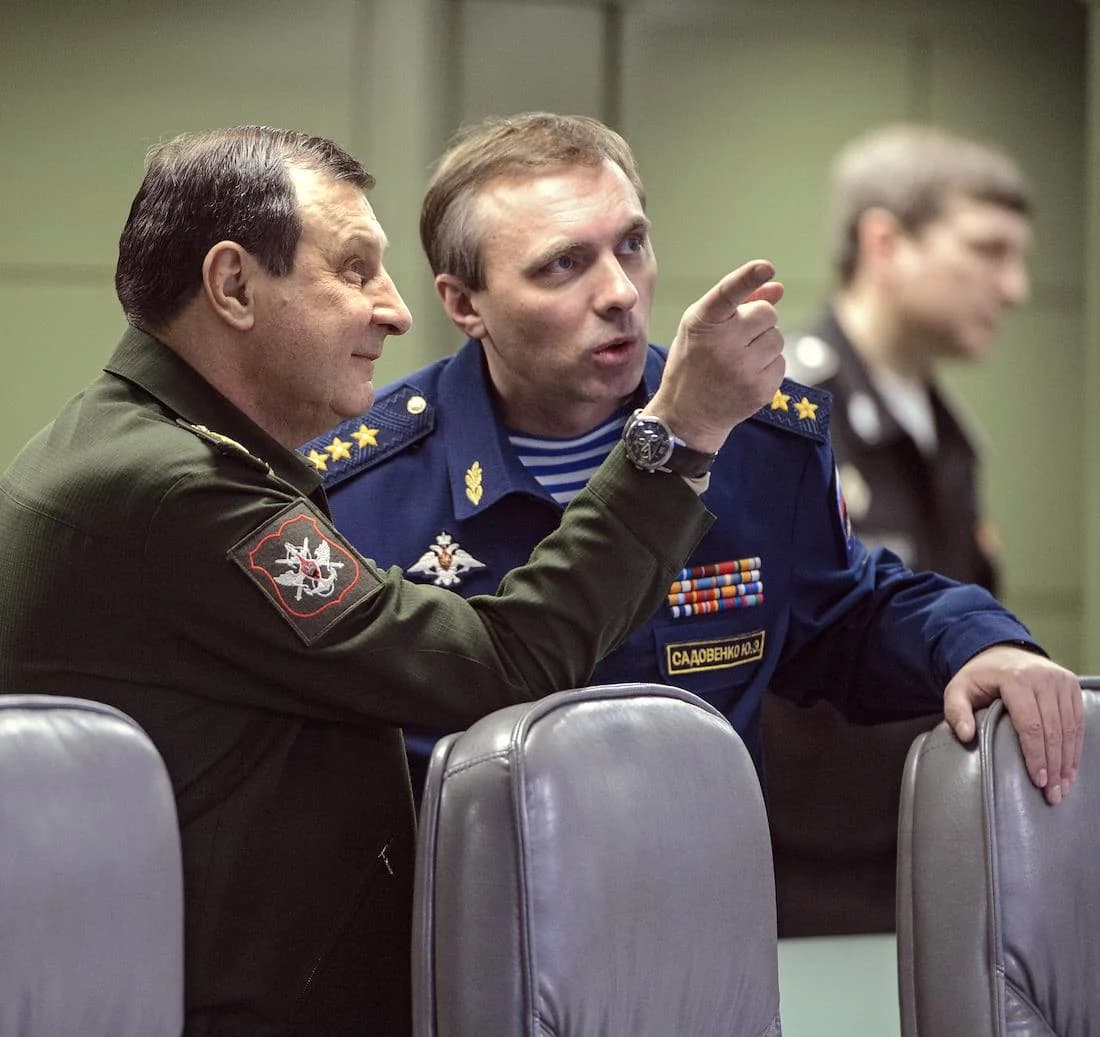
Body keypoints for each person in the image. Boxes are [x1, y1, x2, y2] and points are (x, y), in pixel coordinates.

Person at [0, 124, 795, 1035]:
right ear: (234, 287)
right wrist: (675, 438)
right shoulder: (178, 489)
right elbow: (497, 666)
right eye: (354, 270)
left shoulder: (136, 444)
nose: (394, 309)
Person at [302, 112, 1081, 938]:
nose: (618, 292)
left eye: (631, 244)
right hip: (471, 938)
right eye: (563, 264)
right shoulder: (364, 487)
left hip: (698, 932)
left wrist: (979, 642)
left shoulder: (757, 439)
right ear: (465, 303)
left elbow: (846, 616)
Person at [766, 124, 1034, 935]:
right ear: (884, 243)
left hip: (926, 858)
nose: (1015, 287)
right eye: (987, 250)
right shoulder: (782, 418)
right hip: (801, 882)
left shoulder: (946, 435)